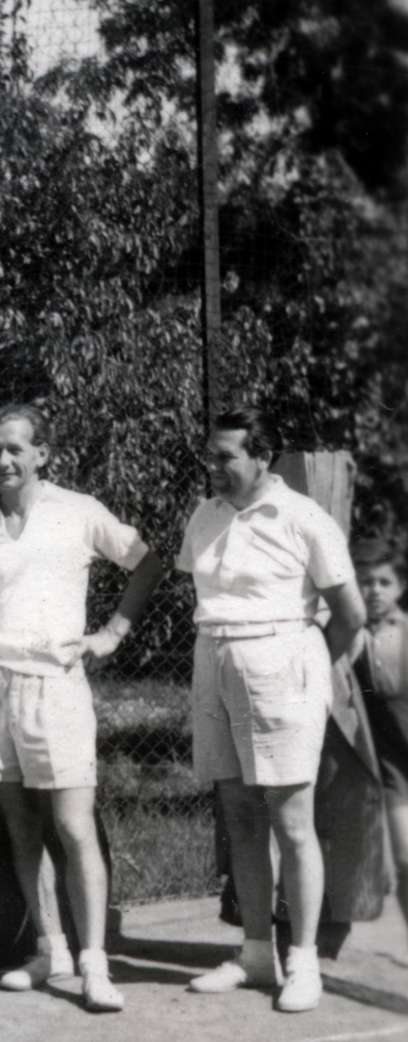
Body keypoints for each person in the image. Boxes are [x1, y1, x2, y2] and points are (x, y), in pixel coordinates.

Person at [0, 404, 165, 1013]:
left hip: (58, 682)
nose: (3, 461)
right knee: (21, 827)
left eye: (16, 449)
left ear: (42, 453)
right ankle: (51, 949)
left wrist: (113, 634)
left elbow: (146, 563)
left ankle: (94, 965)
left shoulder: (80, 511)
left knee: (72, 826)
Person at [179, 410, 366, 1011]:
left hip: (283, 662)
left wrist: (306, 669)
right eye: (210, 455)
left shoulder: (304, 519)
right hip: (214, 660)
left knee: (291, 818)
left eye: (225, 456)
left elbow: (351, 614)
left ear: (262, 456)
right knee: (240, 814)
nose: (213, 466)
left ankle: (303, 961)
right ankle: (257, 954)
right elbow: (211, 596)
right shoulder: (205, 515)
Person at [352, 537, 408, 931]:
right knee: (406, 861)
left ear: (401, 586)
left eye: (383, 582)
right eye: (365, 582)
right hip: (395, 772)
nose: (374, 591)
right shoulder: (350, 635)